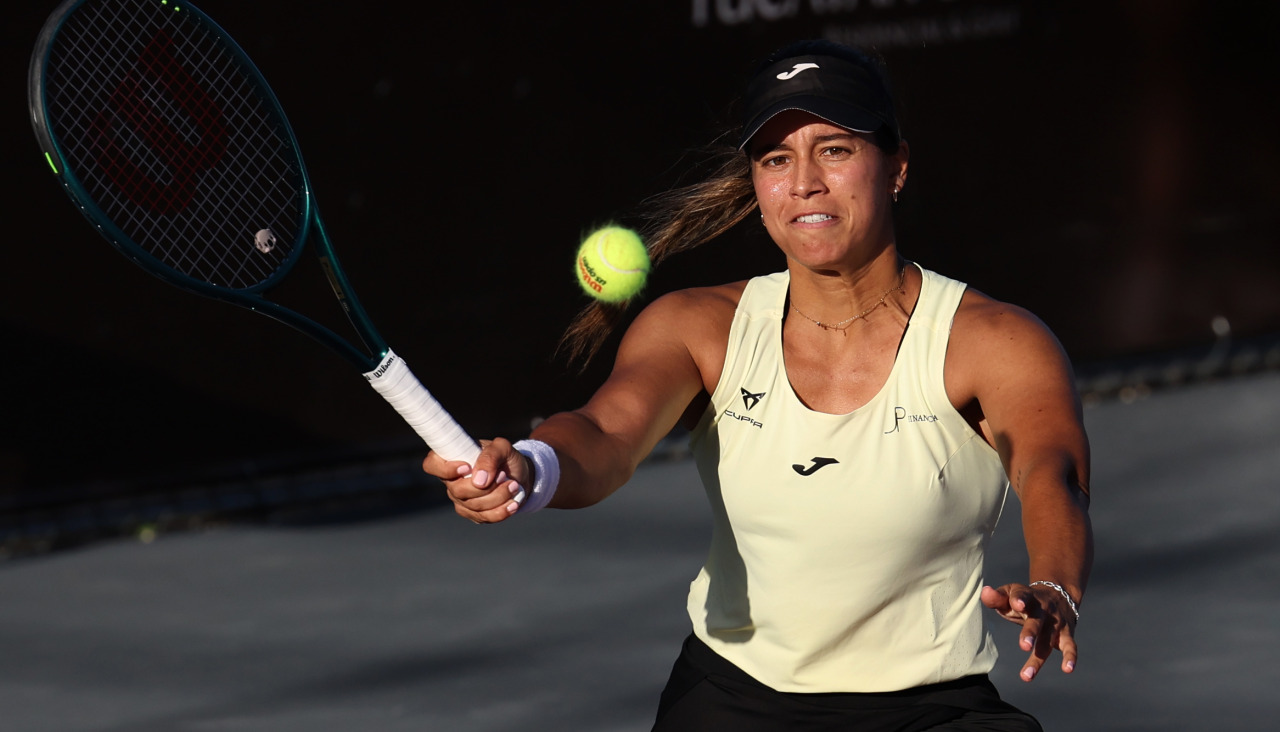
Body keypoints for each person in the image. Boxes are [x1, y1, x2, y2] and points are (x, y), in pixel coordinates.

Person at [423, 39, 1092, 732]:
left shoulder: (995, 340)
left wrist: (1054, 585)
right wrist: (530, 469)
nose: (803, 181)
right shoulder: (697, 326)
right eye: (776, 159)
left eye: (834, 148)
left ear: (895, 166)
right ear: (758, 185)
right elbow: (604, 433)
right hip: (731, 705)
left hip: (931, 711)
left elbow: (1053, 473)